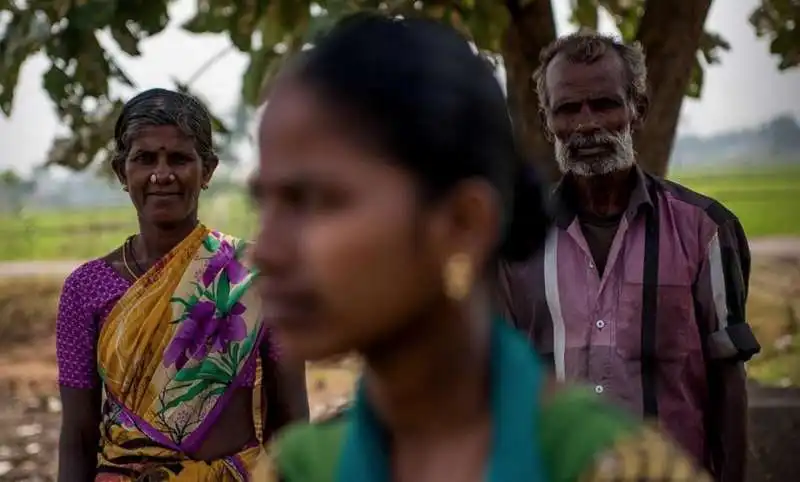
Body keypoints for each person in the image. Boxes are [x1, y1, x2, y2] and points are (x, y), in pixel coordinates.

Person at [248, 13, 712, 482]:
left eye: (317, 201)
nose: (264, 250)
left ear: (463, 224)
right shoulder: (297, 469)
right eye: (262, 203)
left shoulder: (618, 468)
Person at [497, 33, 761, 482]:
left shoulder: (706, 231)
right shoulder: (513, 242)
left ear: (636, 109)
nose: (586, 125)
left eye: (604, 105)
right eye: (567, 110)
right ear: (547, 122)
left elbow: (728, 384)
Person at [55, 88, 309, 481]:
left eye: (179, 158)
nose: (161, 174)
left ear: (207, 170)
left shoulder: (254, 275)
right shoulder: (86, 289)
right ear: (122, 173)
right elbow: (77, 434)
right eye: (144, 159)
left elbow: (291, 420)